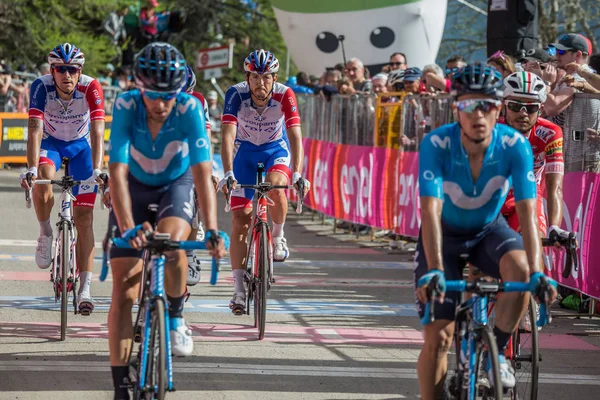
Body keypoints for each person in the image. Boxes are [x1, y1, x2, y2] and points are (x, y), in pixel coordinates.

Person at [414, 63, 557, 399]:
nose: (478, 114)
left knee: (520, 269)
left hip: (488, 231)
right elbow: (430, 211)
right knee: (439, 338)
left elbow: (527, 208)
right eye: (468, 105)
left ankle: (500, 354)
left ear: (499, 110)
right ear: (456, 109)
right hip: (443, 239)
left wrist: (537, 272)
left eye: (487, 105)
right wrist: (434, 269)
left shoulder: (515, 146)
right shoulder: (436, 144)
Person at [106, 42, 225, 400]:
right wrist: (127, 227)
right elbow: (117, 171)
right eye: (153, 96)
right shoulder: (126, 105)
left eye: (168, 96)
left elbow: (203, 174)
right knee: (124, 290)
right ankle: (119, 387)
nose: (160, 105)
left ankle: (175, 316)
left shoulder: (190, 107)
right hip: (135, 186)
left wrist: (214, 228)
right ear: (140, 88)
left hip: (177, 182)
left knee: (172, 244)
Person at [218, 49, 310, 315]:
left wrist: (297, 172)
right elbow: (227, 134)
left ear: (275, 78)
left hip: (275, 151)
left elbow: (295, 135)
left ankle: (279, 237)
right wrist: (227, 171)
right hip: (244, 153)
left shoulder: (285, 94)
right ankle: (237, 290)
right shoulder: (235, 94)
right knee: (240, 221)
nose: (261, 84)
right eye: (255, 78)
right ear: (247, 77)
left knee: (275, 186)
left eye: (266, 78)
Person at [19, 43, 106, 315]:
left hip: (82, 148)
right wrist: (31, 168)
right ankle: (45, 232)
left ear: (79, 72)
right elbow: (34, 129)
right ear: (51, 71)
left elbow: (98, 130)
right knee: (43, 175)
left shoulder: (91, 87)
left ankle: (85, 289)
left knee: (84, 218)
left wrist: (98, 168)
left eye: (72, 69)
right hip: (52, 144)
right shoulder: (40, 87)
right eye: (60, 69)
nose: (66, 75)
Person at [181, 65, 212, 286]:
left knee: (195, 190)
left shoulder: (199, 101)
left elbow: (205, 139)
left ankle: (190, 255)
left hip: (189, 151)